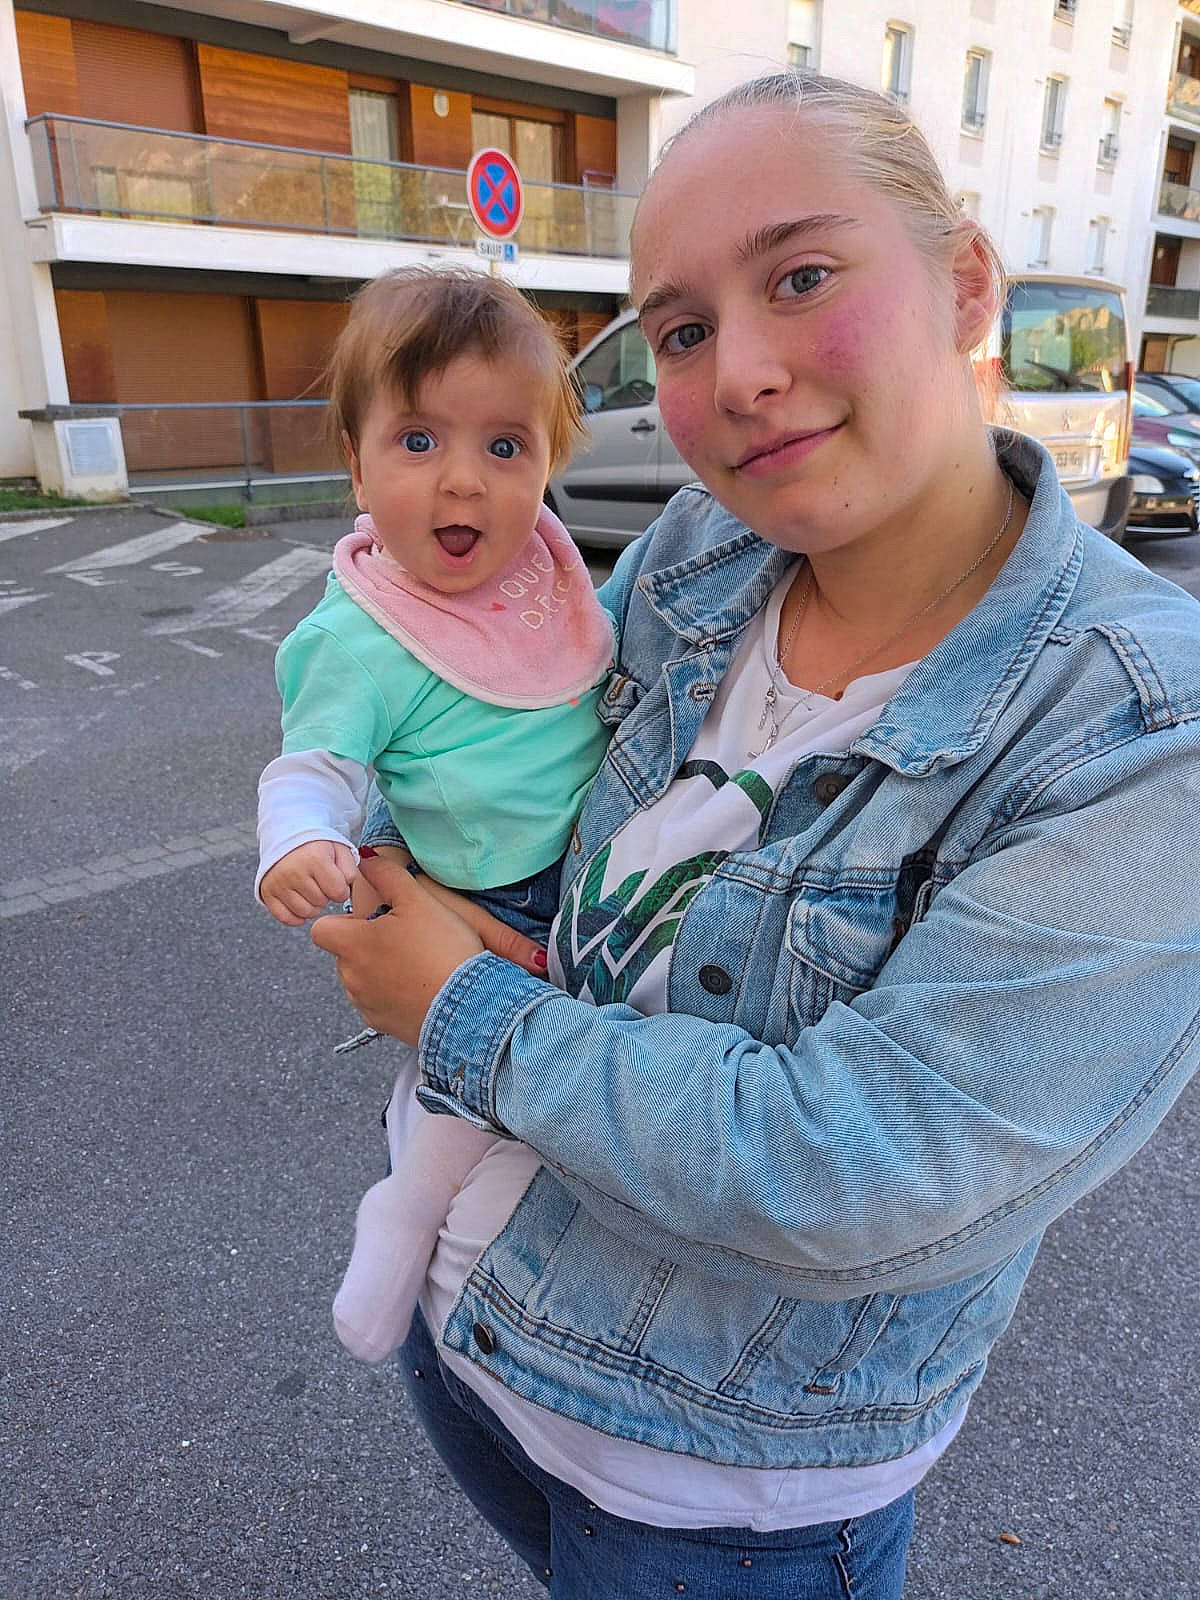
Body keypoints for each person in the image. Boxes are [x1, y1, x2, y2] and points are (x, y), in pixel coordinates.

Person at [312, 72, 1200, 1598]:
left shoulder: (1135, 729)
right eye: (681, 330)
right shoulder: (705, 550)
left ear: (964, 282)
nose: (739, 375)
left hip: (713, 1487)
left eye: (800, 277)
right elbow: (522, 764)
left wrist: (460, 1011)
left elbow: (858, 1167)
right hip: (472, 1323)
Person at [255, 266, 613, 1365]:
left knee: (559, 1085)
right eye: (418, 441)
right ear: (355, 459)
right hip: (492, 889)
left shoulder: (544, 580)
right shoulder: (360, 635)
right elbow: (312, 760)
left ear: (549, 465)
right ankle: (404, 1212)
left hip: (597, 870)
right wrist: (303, 840)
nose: (464, 480)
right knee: (487, 1076)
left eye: (507, 447)